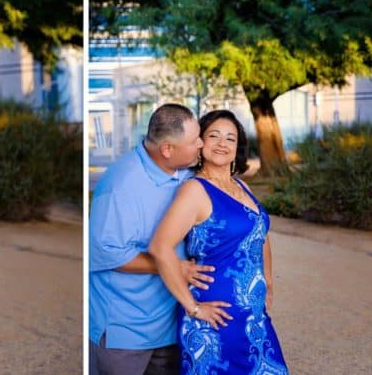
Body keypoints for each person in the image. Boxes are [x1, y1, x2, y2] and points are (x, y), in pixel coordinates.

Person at [149, 109, 288, 374]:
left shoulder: (242, 187)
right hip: (215, 320)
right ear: (200, 143)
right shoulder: (195, 190)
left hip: (253, 317)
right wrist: (194, 307)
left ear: (238, 147)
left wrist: (267, 282)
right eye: (214, 136)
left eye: (230, 138)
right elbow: (159, 247)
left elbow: (260, 235)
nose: (222, 143)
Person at [89, 103, 217, 375]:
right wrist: (175, 266)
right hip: (125, 333)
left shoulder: (186, 174)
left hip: (171, 325)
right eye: (194, 140)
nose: (201, 143)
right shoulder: (120, 186)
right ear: (167, 149)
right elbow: (107, 253)